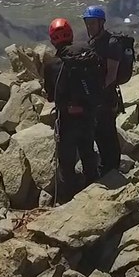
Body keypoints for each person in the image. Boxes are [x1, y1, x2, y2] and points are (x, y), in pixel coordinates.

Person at [42, 17, 101, 203]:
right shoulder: (87, 53)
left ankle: (68, 200)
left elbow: (51, 97)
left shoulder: (52, 64)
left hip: (66, 118)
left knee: (66, 162)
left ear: (52, 39)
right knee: (88, 154)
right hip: (88, 114)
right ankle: (95, 193)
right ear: (71, 35)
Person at [82, 5, 123, 176]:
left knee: (108, 134)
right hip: (97, 98)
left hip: (106, 98)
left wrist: (97, 94)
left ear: (101, 23)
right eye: (88, 23)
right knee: (99, 133)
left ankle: (112, 169)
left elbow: (111, 75)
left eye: (93, 23)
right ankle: (107, 167)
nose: (90, 26)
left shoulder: (111, 44)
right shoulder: (94, 43)